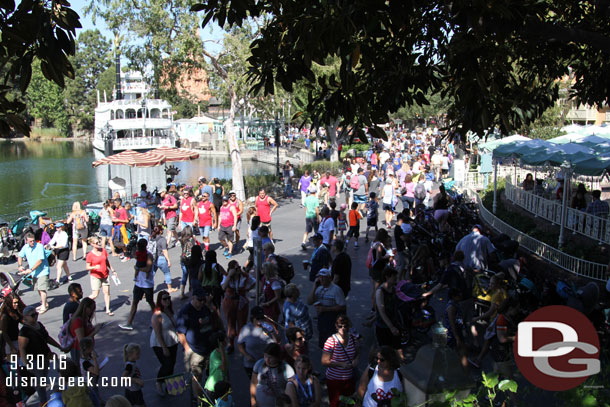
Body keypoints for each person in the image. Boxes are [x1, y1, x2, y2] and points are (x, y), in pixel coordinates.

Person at [19, 305, 68, 405]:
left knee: (43, 379)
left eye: (36, 314)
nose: (36, 316)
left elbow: (47, 338)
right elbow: (22, 348)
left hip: (45, 357)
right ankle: (43, 402)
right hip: (34, 360)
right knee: (40, 382)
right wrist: (26, 363)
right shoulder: (24, 331)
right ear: (25, 317)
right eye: (33, 315)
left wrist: (59, 346)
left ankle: (42, 399)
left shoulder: (39, 325)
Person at [176, 286, 215, 398]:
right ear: (193, 298)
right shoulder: (185, 312)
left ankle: (206, 394)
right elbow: (180, 333)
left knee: (209, 373)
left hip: (208, 348)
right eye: (199, 300)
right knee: (196, 377)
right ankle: (198, 399)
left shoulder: (205, 308)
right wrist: (188, 349)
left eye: (203, 299)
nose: (202, 302)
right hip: (195, 351)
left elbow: (212, 322)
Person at [321, 315, 359, 407]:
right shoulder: (331, 341)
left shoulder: (353, 339)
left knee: (349, 403)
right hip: (334, 380)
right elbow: (324, 361)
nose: (343, 329)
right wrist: (341, 364)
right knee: (335, 404)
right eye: (340, 326)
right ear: (336, 326)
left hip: (349, 378)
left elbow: (357, 353)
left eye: (345, 326)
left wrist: (355, 360)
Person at [119, 239, 156, 331]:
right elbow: (134, 255)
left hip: (147, 284)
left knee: (151, 303)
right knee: (135, 302)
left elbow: (148, 269)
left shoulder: (149, 255)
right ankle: (129, 322)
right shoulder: (139, 254)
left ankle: (157, 322)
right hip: (139, 283)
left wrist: (138, 268)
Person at [221, 261, 256, 353]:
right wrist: (229, 276)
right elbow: (223, 288)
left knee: (242, 324)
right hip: (229, 302)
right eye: (236, 268)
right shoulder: (227, 276)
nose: (238, 270)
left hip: (241, 302)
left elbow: (254, 282)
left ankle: (241, 344)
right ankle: (231, 343)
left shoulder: (244, 276)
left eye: (239, 267)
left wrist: (247, 289)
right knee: (230, 324)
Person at [308, 268, 347, 349]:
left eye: (324, 277)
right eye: (320, 277)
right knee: (323, 339)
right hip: (322, 318)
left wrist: (325, 309)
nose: (321, 279)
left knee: (333, 341)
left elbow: (342, 306)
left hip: (333, 318)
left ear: (329, 278)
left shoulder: (336, 290)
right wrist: (314, 286)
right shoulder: (318, 289)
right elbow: (309, 302)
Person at [150, 291, 179, 396]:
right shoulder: (157, 315)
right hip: (159, 344)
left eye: (168, 298)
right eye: (164, 299)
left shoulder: (170, 311)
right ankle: (159, 382)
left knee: (172, 364)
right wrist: (164, 347)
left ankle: (169, 386)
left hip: (172, 341)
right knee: (166, 365)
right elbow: (158, 333)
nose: (167, 300)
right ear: (159, 301)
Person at [250, 343, 295, 407]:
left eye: (270, 357)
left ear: (277, 357)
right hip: (260, 403)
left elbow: (292, 391)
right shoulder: (259, 364)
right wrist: (253, 401)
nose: (267, 360)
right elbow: (253, 383)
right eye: (265, 356)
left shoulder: (287, 369)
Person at [237, 306, 277, 378]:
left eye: (262, 318)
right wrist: (247, 356)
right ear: (252, 318)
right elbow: (240, 345)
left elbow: (277, 343)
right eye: (257, 318)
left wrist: (272, 332)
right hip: (252, 365)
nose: (260, 320)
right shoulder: (246, 329)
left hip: (267, 364)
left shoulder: (268, 327)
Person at [17, 232, 50, 313]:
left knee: (42, 289)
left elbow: (40, 260)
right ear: (26, 241)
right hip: (35, 273)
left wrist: (30, 269)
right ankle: (44, 303)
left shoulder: (39, 246)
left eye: (33, 240)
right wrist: (20, 265)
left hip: (43, 271)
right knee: (38, 289)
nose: (32, 242)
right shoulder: (25, 247)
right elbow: (20, 255)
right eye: (30, 241)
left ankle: (44, 307)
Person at [374, 268, 402, 359]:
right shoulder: (380, 291)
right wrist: (391, 327)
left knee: (397, 348)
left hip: (394, 323)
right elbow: (381, 311)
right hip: (383, 327)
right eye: (394, 277)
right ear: (387, 277)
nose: (396, 278)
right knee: (385, 353)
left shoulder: (393, 289)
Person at [86, 235, 117, 315]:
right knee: (95, 294)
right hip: (95, 276)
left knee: (106, 292)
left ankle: (108, 309)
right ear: (92, 244)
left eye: (98, 242)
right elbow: (87, 267)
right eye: (96, 243)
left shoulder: (103, 251)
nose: (98, 244)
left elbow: (107, 261)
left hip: (105, 275)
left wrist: (113, 270)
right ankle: (83, 304)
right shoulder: (90, 255)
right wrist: (94, 267)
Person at [150, 225, 178, 293]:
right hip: (161, 258)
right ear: (160, 231)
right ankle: (170, 288)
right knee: (167, 273)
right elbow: (164, 251)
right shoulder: (162, 239)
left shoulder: (152, 239)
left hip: (153, 259)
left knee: (151, 274)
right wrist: (168, 260)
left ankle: (147, 290)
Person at [204, 331, 229, 396]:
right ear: (220, 342)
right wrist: (222, 352)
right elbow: (223, 367)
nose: (227, 340)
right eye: (225, 339)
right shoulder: (214, 355)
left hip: (222, 386)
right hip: (213, 388)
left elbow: (226, 369)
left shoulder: (224, 353)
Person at [179, 226, 201, 299]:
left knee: (184, 275)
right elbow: (196, 247)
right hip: (190, 260)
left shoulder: (182, 239)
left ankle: (182, 292)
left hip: (183, 259)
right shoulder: (191, 240)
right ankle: (191, 291)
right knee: (191, 275)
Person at [301, 185, 320, 250]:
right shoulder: (316, 199)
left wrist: (306, 214)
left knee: (307, 230)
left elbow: (305, 208)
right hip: (314, 216)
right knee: (316, 230)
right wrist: (318, 217)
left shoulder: (306, 199)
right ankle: (316, 244)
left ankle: (303, 242)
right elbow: (316, 209)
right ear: (315, 192)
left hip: (308, 216)